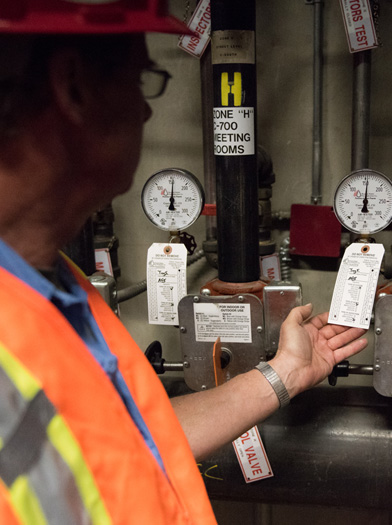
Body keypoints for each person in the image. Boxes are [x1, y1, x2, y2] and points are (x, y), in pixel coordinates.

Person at [0, 1, 367, 523]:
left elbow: (131, 438)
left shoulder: (56, 279)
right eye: (142, 78)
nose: (147, 110)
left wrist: (285, 372)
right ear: (73, 87)